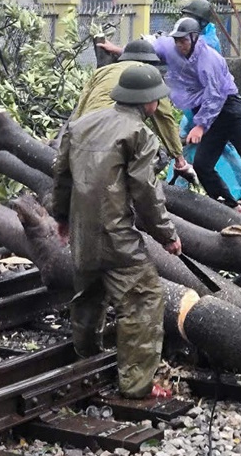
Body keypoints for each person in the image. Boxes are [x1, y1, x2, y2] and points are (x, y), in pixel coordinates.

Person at [53, 64, 181, 399]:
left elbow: (62, 175)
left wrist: (61, 217)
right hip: (117, 236)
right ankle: (137, 385)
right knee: (143, 299)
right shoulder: (140, 135)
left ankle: (85, 358)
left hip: (82, 232)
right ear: (148, 103)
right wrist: (167, 235)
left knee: (88, 294)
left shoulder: (80, 125)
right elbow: (146, 193)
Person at [153, 17, 241, 227]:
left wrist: (200, 125)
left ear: (194, 38)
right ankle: (229, 206)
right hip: (212, 117)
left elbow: (216, 95)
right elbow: (152, 45)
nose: (180, 45)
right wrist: (118, 51)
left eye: (184, 41)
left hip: (231, 111)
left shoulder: (209, 59)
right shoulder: (176, 50)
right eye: (177, 41)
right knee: (202, 165)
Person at [74, 38, 193, 178]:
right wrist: (179, 159)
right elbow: (165, 119)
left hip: (83, 133)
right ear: (150, 62)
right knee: (155, 153)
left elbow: (81, 104)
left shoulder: (101, 72)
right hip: (115, 136)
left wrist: (74, 134)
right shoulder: (150, 76)